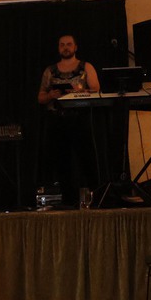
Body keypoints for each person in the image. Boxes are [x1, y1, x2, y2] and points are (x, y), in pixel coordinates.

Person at [36, 34, 101, 206]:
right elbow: (40, 97)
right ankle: (68, 200)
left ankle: (95, 197)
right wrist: (51, 95)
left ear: (75, 47)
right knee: (62, 161)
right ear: (58, 48)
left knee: (86, 159)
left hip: (80, 119)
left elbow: (96, 90)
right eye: (62, 44)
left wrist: (79, 91)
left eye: (69, 44)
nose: (66, 47)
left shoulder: (86, 67)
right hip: (57, 121)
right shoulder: (50, 71)